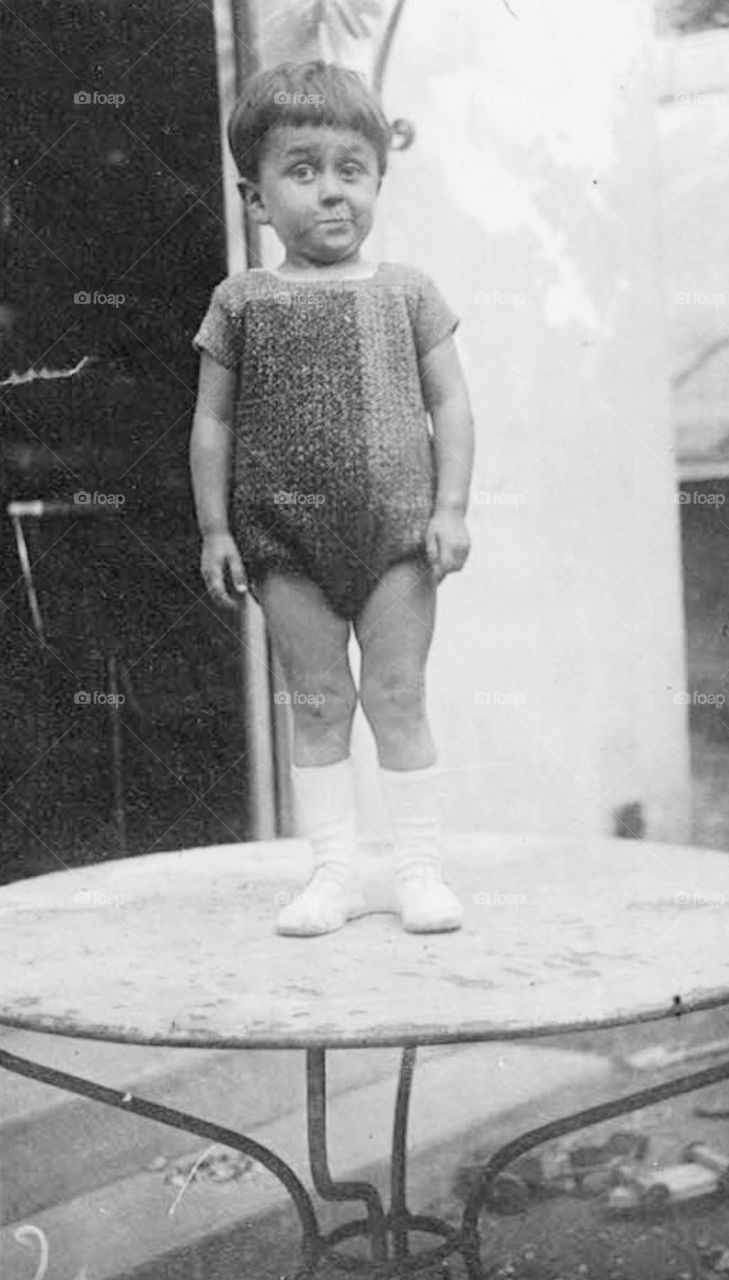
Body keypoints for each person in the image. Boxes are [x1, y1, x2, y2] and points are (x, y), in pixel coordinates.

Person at [189, 60, 474, 938]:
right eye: (302, 170)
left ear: (378, 179)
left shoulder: (407, 292)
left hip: (397, 535)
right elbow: (212, 423)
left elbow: (450, 404)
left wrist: (450, 508)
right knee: (316, 703)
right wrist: (214, 529)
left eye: (351, 169)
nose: (331, 191)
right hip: (283, 542)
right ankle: (332, 877)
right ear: (255, 197)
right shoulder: (241, 301)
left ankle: (417, 873)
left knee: (397, 693)